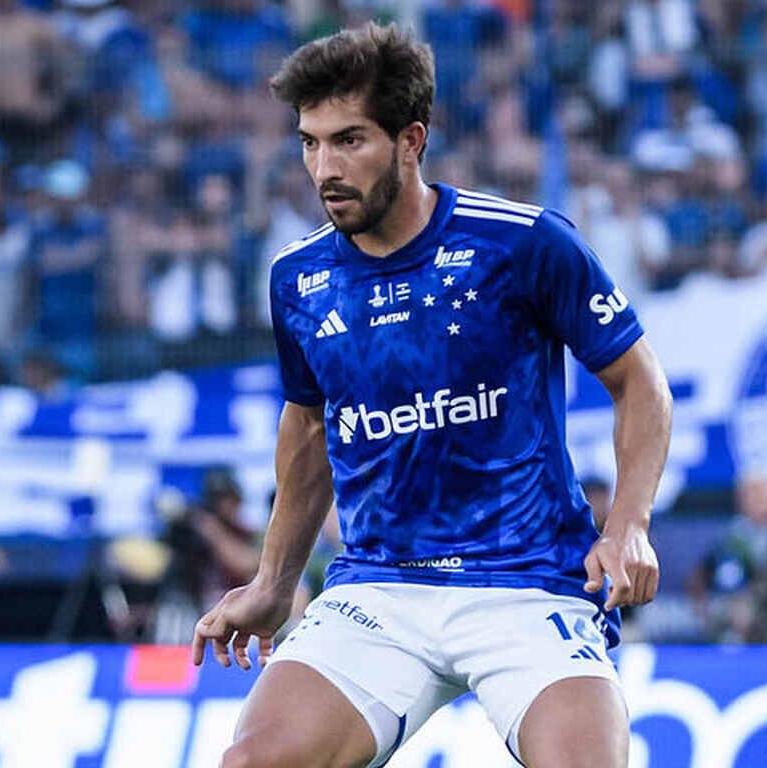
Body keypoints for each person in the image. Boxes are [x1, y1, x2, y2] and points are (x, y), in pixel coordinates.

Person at [193, 23, 672, 768]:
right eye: (310, 143)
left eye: (349, 140)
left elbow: (638, 382)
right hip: (380, 587)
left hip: (527, 579)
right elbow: (309, 429)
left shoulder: (523, 244)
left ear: (411, 139)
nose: (325, 168)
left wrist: (630, 526)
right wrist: (272, 581)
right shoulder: (297, 278)